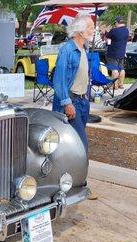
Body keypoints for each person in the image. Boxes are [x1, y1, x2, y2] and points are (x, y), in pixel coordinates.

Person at [51, 15, 95, 153]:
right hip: (71, 103)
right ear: (81, 31)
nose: (94, 30)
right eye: (91, 27)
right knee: (81, 146)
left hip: (83, 102)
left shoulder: (83, 49)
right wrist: (67, 103)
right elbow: (59, 81)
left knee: (72, 145)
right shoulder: (67, 50)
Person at [106, 16, 129, 90]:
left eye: (115, 22)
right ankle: (121, 84)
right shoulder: (126, 30)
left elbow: (107, 39)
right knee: (121, 68)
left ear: (117, 22)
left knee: (114, 69)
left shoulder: (114, 30)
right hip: (122, 52)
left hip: (113, 52)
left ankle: (114, 85)